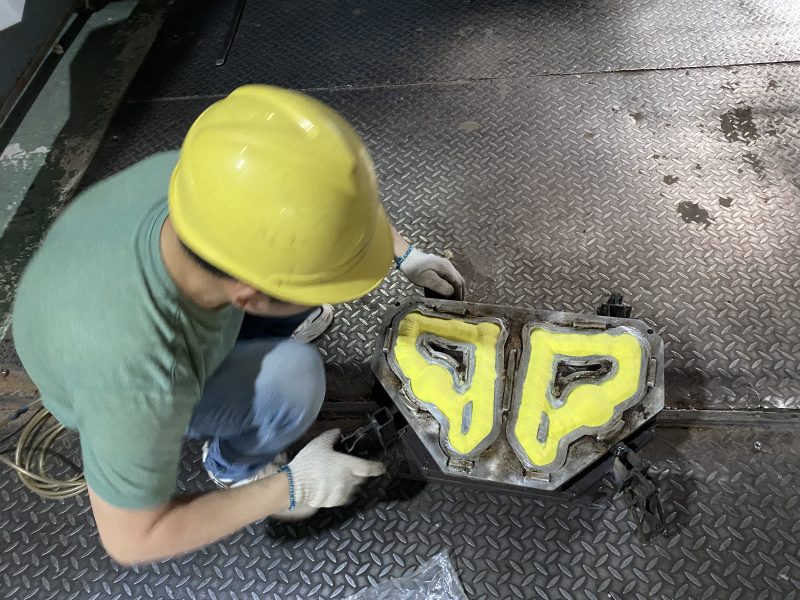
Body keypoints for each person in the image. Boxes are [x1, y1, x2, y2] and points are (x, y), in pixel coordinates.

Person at [11, 85, 465, 565]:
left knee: (306, 280)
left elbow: (315, 200)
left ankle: (274, 318)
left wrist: (402, 253)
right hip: (105, 370)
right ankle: (233, 464)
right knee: (294, 381)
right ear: (246, 296)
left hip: (110, 291)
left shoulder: (212, 181)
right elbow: (132, 539)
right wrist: (288, 488)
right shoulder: (138, 379)